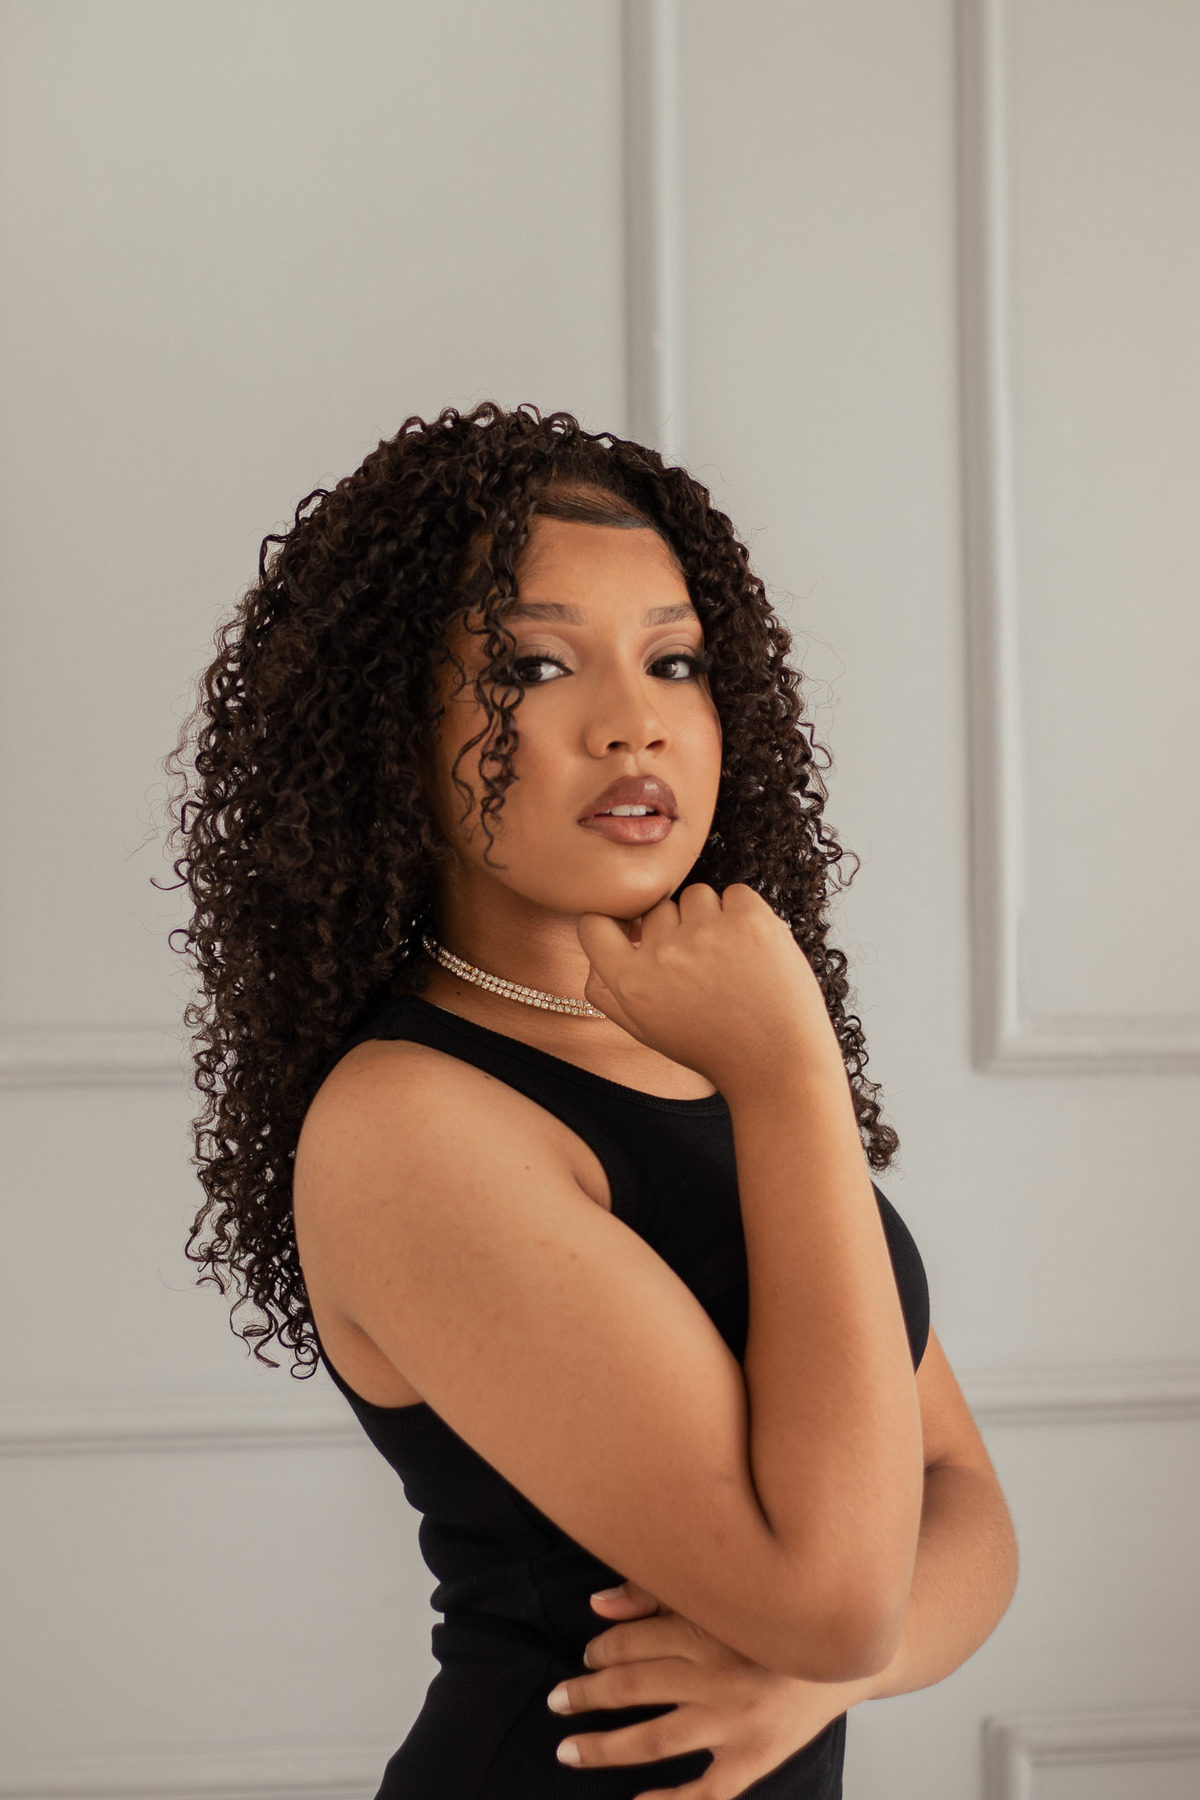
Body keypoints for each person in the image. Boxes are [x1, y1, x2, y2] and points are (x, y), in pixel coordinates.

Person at [164, 400, 1018, 1797]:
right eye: (536, 665)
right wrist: (790, 1074)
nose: (636, 725)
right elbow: (835, 1595)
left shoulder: (702, 1051)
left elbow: (963, 1503)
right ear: (394, 728)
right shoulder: (409, 1125)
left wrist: (827, 1676)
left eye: (675, 661)